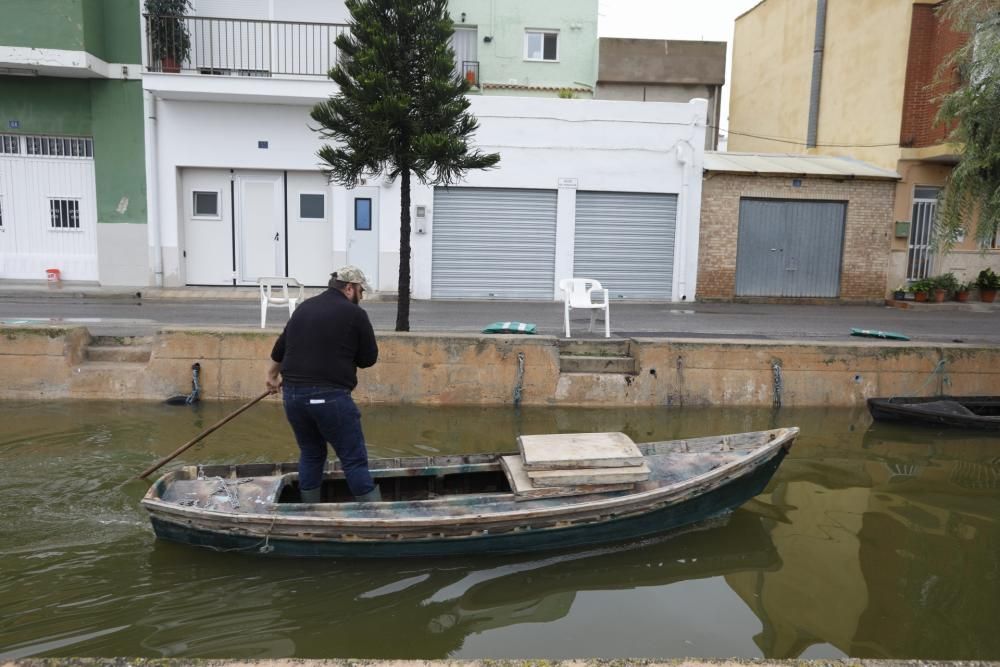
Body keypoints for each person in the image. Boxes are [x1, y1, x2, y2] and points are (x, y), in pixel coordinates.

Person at [266, 265, 381, 503]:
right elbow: (368, 359)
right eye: (361, 290)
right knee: (353, 458)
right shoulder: (355, 315)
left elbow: (280, 348)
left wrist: (272, 377)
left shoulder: (304, 308)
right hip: (330, 398)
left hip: (293, 397)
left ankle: (309, 511)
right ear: (350, 288)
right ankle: (375, 516)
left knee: (311, 453)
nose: (362, 296)